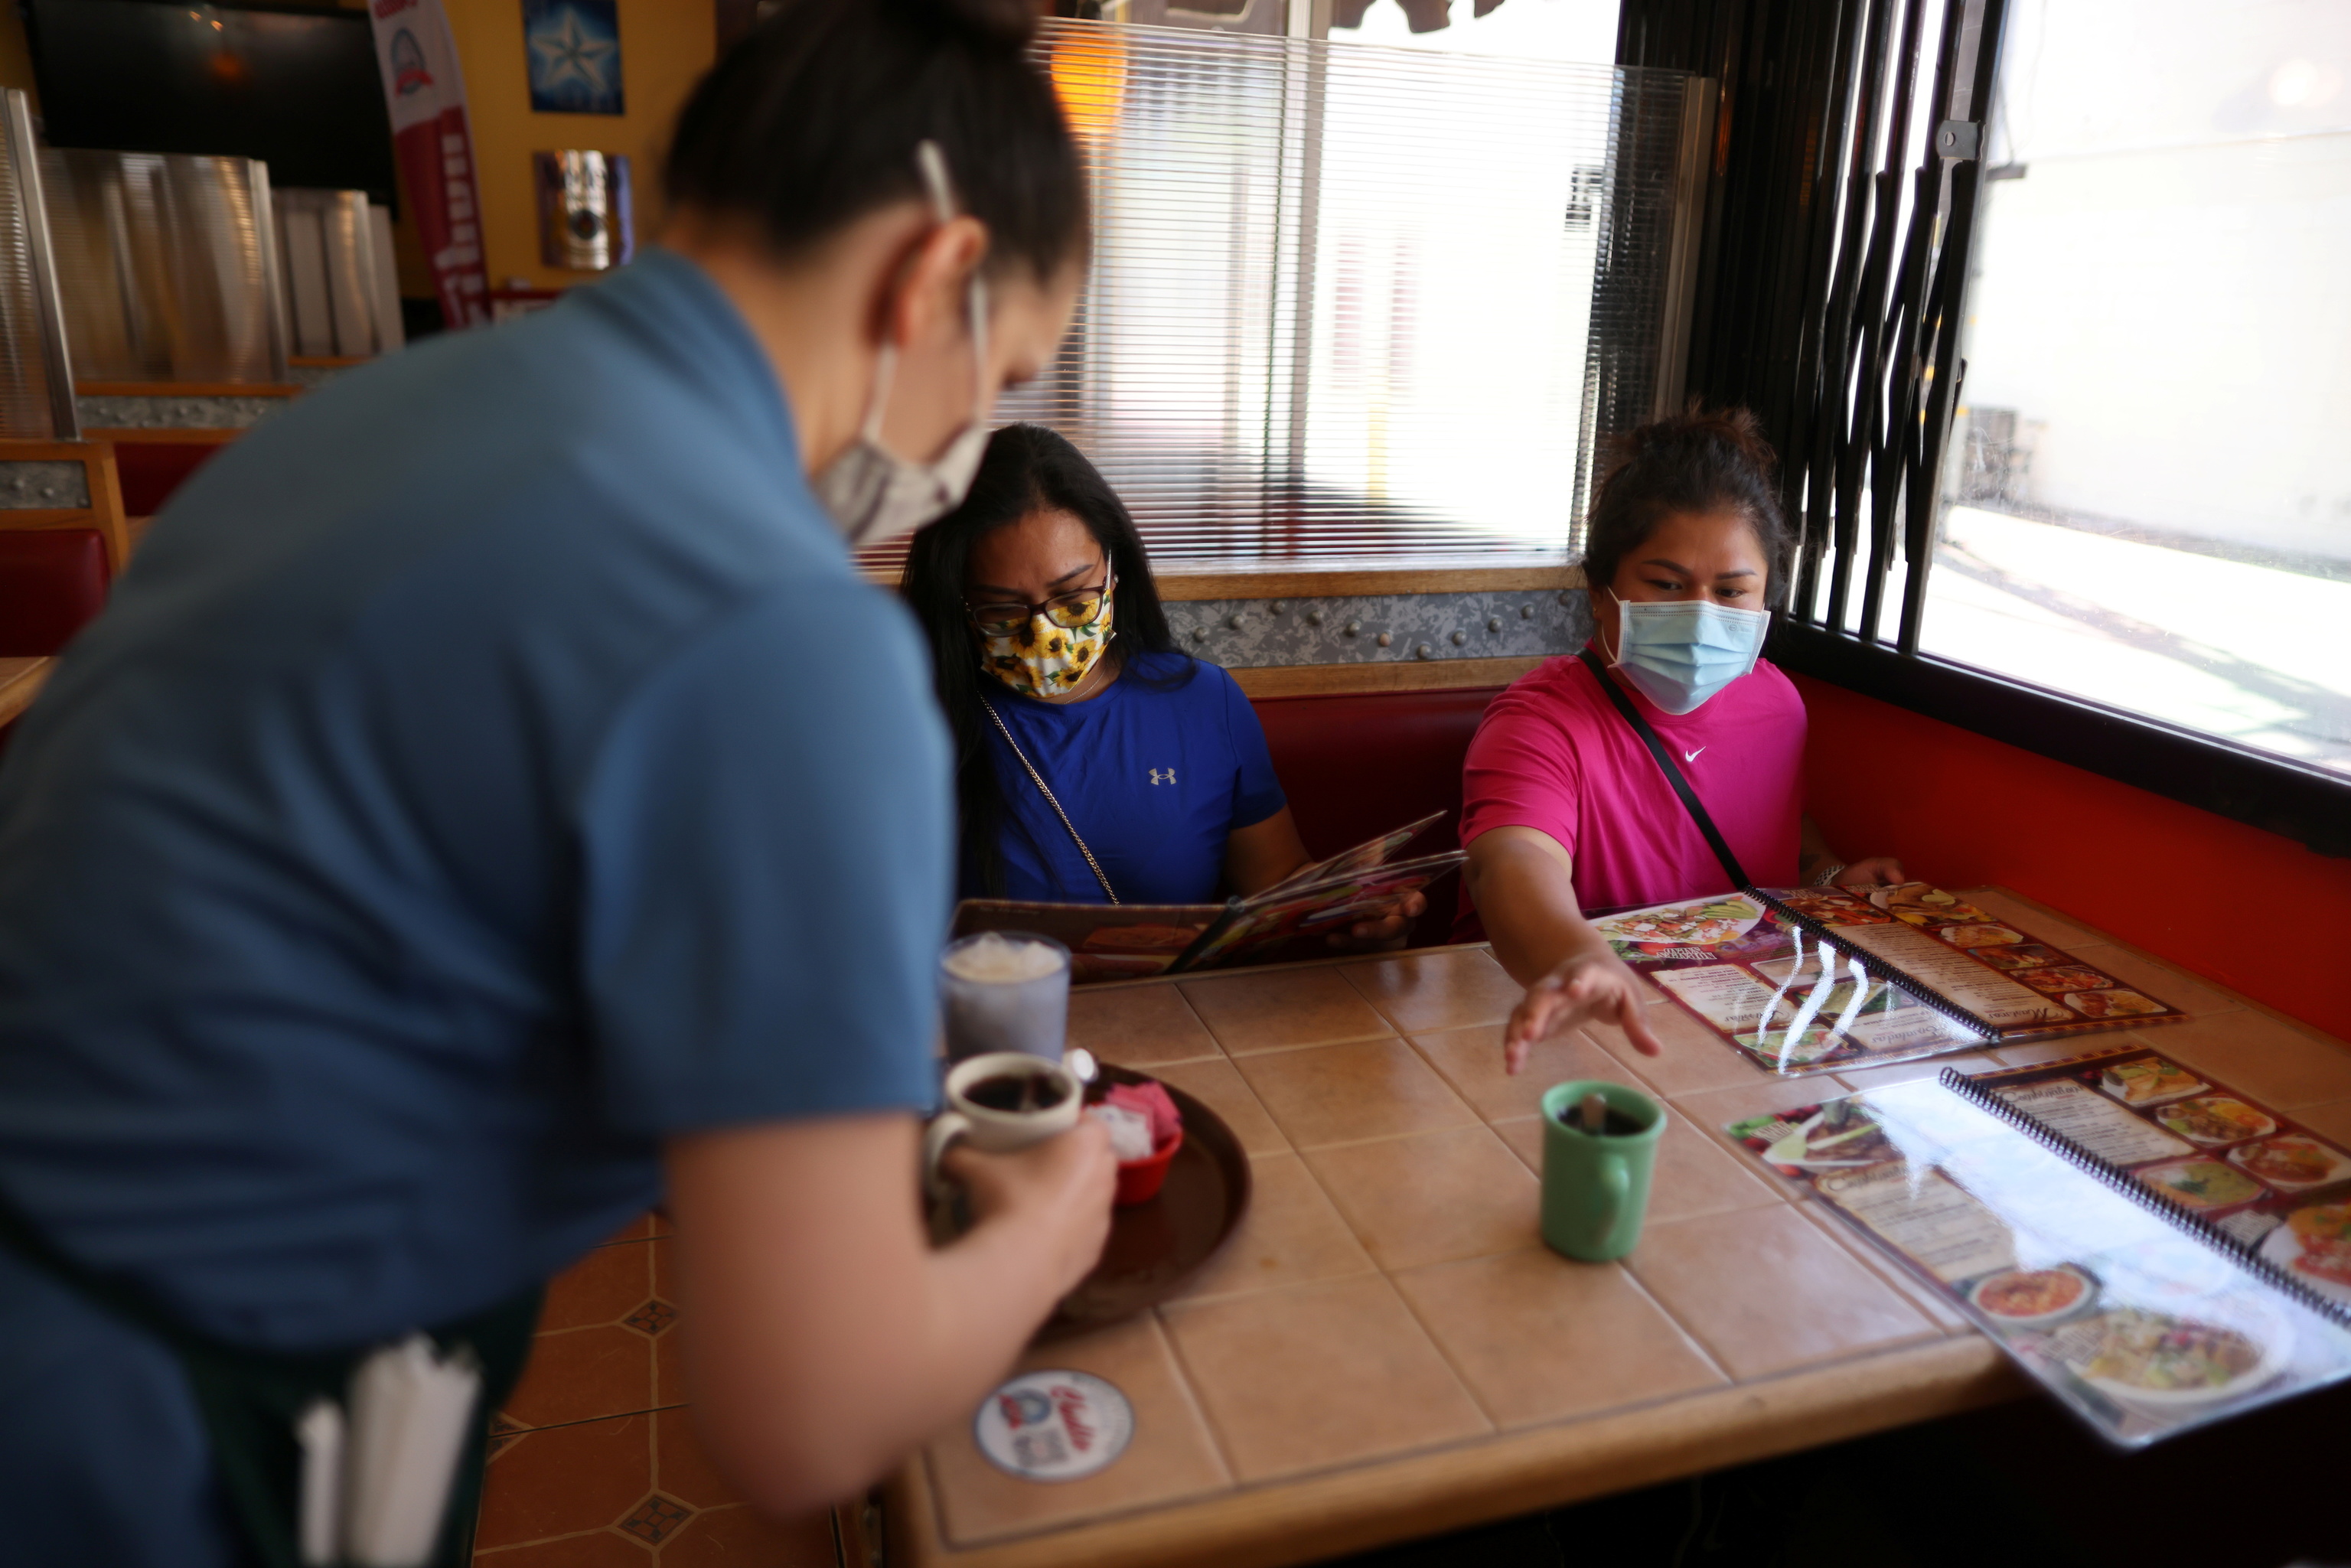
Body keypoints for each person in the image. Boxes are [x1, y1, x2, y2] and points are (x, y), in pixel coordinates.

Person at [0, 2, 1117, 1562]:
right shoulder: (777, 623)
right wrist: (1050, 1227)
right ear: (932, 279)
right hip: (153, 1430)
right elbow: (808, 1412)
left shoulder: (384, 415)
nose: (960, 445)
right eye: (995, 373)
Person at [1453, 409, 1904, 1071]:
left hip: (1733, 1031)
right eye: (1666, 586)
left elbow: (1778, 834)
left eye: (1731, 591)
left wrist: (1832, 875)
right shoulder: (1536, 724)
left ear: (1766, 602)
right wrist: (1579, 960)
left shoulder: (1778, 704)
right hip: (1549, 1027)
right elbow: (1513, 863)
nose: (1700, 613)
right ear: (1600, 593)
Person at [901, 422, 1426, 940]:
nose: (1045, 631)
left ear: (1113, 572)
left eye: (1074, 599)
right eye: (1001, 609)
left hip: (1179, 1018)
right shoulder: (912, 720)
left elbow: (1277, 884)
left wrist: (1353, 910)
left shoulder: (1204, 704)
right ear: (957, 605)